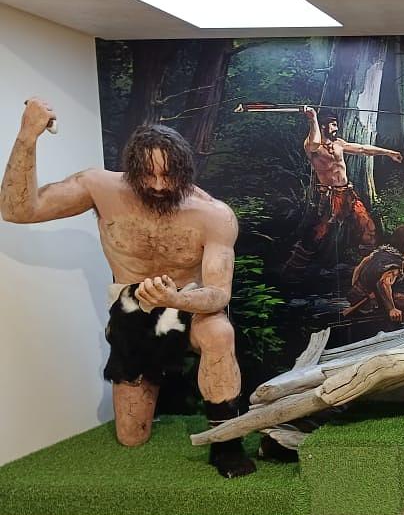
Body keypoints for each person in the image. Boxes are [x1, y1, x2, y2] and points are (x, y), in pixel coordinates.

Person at [0, 98, 255, 478]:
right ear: (132, 169)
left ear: (185, 171)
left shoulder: (213, 215)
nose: (158, 185)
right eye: (148, 175)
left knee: (219, 331)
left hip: (191, 305)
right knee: (130, 438)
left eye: (168, 176)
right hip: (133, 311)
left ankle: (227, 442)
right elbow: (17, 211)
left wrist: (174, 298)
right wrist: (27, 136)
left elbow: (219, 294)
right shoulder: (100, 187)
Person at [283, 107, 403, 271]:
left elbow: (363, 149)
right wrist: (312, 118)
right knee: (317, 234)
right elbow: (315, 142)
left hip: (347, 194)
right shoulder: (312, 146)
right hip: (329, 197)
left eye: (336, 124)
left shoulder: (339, 144)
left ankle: (368, 269)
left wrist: (389, 152)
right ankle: (293, 270)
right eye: (332, 125)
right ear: (323, 126)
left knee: (368, 228)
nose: (336, 128)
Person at [344, 224, 404, 321]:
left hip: (354, 296)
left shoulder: (379, 252)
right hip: (366, 303)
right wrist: (391, 309)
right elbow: (383, 283)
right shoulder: (396, 264)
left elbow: (359, 267)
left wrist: (355, 287)